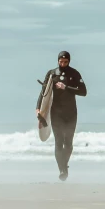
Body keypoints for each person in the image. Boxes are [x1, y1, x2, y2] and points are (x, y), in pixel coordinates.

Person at [36, 50, 87, 181]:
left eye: (65, 62)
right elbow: (43, 94)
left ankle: (64, 165)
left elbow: (83, 92)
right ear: (57, 60)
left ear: (69, 61)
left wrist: (66, 88)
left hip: (71, 113)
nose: (63, 64)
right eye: (60, 61)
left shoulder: (74, 74)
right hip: (56, 113)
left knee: (68, 143)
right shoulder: (52, 74)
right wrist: (39, 111)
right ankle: (62, 170)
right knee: (59, 142)